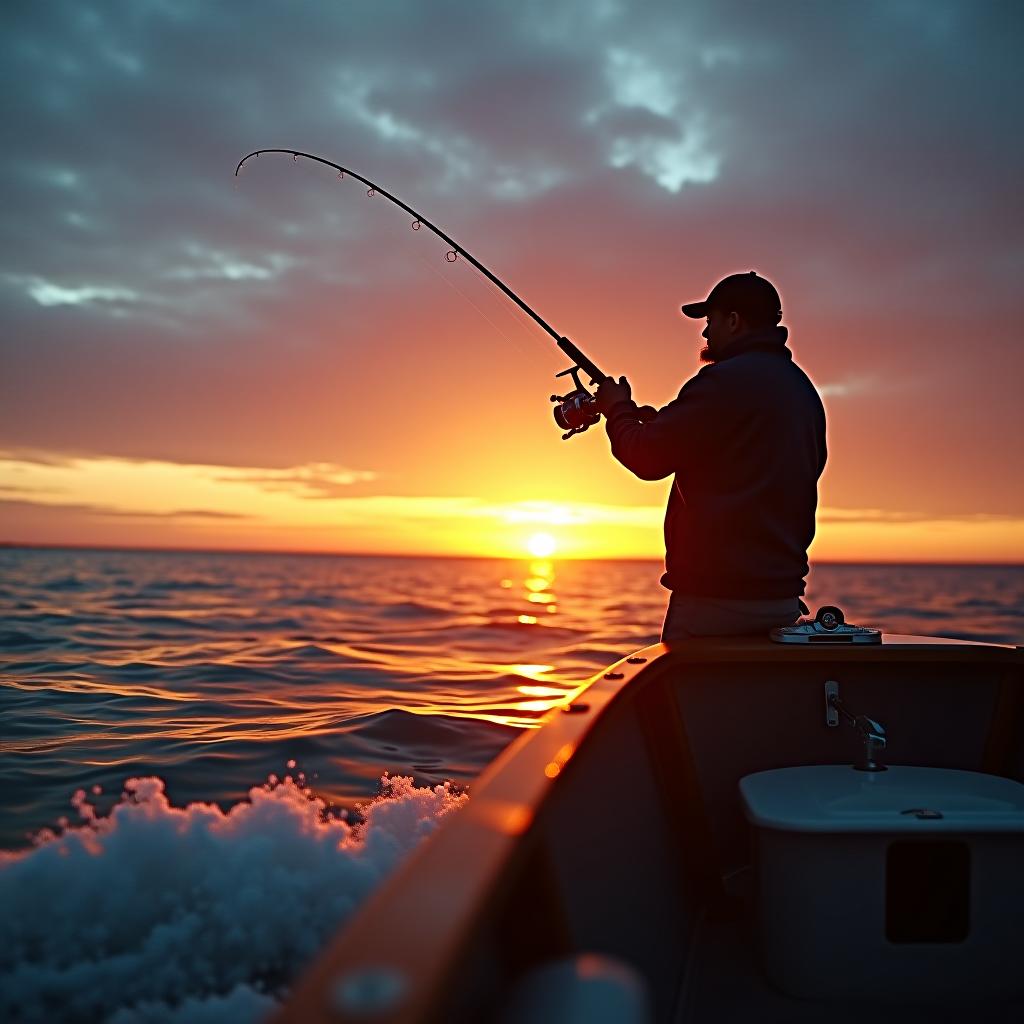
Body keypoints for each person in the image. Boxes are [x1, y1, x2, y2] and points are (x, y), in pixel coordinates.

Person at [592, 272, 826, 642]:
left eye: (709, 321)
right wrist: (660, 423)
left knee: (683, 701)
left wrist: (617, 410)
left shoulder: (719, 382)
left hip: (712, 606)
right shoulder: (803, 392)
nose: (704, 334)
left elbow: (645, 457)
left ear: (733, 321)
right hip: (780, 605)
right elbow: (751, 456)